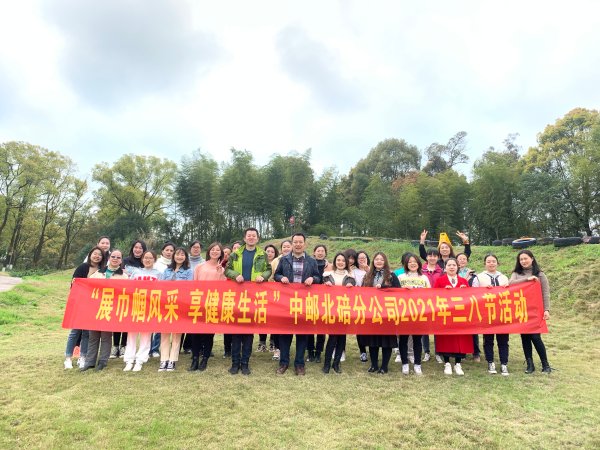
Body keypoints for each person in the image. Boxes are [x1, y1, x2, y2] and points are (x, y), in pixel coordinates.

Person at [225, 228, 271, 375]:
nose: (251, 238)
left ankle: (245, 363)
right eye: (248, 236)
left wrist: (263, 276)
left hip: (254, 296)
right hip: (237, 296)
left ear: (257, 238)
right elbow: (227, 270)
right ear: (244, 238)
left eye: (254, 236)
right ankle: (235, 363)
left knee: (249, 332)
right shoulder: (235, 254)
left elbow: (268, 269)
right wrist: (235, 275)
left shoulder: (262, 254)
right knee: (236, 331)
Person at [274, 233, 321, 376]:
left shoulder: (311, 261)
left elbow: (318, 277)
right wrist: (281, 278)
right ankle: (283, 362)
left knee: (302, 335)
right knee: (285, 334)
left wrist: (313, 279)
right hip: (287, 303)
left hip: (304, 302)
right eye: (295, 242)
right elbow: (276, 275)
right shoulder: (284, 259)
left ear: (305, 244)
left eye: (300, 242)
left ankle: (300, 364)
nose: (298, 244)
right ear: (292, 243)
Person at [81, 249, 129, 371]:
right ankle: (90, 361)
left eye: (118, 257)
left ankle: (103, 361)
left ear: (121, 261)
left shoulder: (124, 277)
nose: (115, 259)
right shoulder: (97, 273)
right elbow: (88, 288)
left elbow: (126, 293)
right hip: (96, 309)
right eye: (113, 256)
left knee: (106, 336)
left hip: (111, 309)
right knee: (93, 336)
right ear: (109, 258)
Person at [509, 250, 552, 374]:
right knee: (525, 337)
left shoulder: (540, 274)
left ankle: (545, 364)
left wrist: (547, 310)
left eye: (525, 258)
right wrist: (527, 279)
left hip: (535, 311)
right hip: (521, 310)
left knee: (536, 337)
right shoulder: (516, 273)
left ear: (532, 259)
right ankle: (530, 364)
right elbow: (510, 283)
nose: (523, 261)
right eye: (521, 259)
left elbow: (545, 293)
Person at [64, 246, 106, 369]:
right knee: (75, 331)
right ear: (90, 255)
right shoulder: (83, 267)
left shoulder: (103, 271)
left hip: (93, 305)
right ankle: (68, 358)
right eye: (95, 254)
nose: (97, 256)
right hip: (80, 303)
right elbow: (74, 284)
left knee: (87, 333)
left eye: (100, 255)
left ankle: (83, 357)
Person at [189, 242, 227, 372]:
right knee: (195, 333)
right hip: (199, 302)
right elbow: (194, 284)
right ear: (209, 251)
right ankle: (195, 359)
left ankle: (205, 359)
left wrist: (220, 273)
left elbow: (223, 288)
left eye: (218, 250)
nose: (215, 252)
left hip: (213, 303)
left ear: (221, 253)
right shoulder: (199, 266)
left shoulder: (222, 269)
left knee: (209, 334)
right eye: (213, 249)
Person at [360, 252, 399, 374]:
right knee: (372, 340)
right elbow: (362, 292)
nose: (379, 261)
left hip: (387, 312)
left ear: (385, 261)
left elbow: (398, 291)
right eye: (377, 259)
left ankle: (384, 366)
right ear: (373, 261)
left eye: (381, 259)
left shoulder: (391, 275)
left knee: (386, 340)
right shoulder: (368, 275)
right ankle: (374, 365)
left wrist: (383, 288)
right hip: (372, 312)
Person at [433, 258, 473, 375]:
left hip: (460, 315)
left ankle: (458, 363)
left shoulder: (463, 281)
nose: (451, 267)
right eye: (449, 265)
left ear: (457, 267)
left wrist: (465, 291)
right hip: (445, 314)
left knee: (460, 338)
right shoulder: (440, 281)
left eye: (454, 265)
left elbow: (470, 297)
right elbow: (433, 296)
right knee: (446, 338)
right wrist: (443, 292)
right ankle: (447, 363)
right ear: (445, 268)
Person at [473, 254, 510, 375]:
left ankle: (504, 363)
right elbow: (473, 294)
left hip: (502, 312)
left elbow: (510, 294)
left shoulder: (504, 277)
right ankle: (490, 362)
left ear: (497, 263)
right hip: (486, 313)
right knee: (488, 339)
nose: (491, 263)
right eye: (488, 261)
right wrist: (483, 290)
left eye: (493, 261)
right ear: (485, 263)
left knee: (503, 340)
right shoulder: (479, 277)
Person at [158, 247, 193, 372]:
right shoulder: (166, 270)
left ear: (185, 257)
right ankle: (164, 360)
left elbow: (189, 288)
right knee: (164, 334)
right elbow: (160, 286)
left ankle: (172, 360)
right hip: (166, 305)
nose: (179, 257)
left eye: (182, 255)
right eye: (177, 254)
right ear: (173, 256)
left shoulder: (189, 271)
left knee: (177, 334)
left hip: (180, 305)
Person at [123, 250, 159, 372]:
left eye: (150, 258)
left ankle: (140, 360)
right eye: (145, 257)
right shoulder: (136, 272)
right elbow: (128, 288)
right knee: (131, 334)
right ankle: (129, 359)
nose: (147, 260)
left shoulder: (158, 274)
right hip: (135, 305)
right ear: (142, 259)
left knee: (146, 335)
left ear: (154, 260)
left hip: (149, 307)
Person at [322, 252, 356, 374]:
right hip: (331, 310)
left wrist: (351, 287)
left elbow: (355, 295)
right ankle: (327, 363)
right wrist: (325, 285)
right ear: (335, 261)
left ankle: (336, 364)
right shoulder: (327, 275)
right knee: (332, 337)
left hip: (345, 310)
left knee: (342, 337)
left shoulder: (351, 277)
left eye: (343, 260)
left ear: (346, 262)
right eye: (338, 260)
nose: (340, 262)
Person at [397, 253, 430, 375]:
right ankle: (405, 363)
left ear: (419, 264)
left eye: (414, 261)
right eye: (410, 262)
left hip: (419, 313)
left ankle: (417, 364)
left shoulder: (424, 278)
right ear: (406, 264)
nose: (412, 263)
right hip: (404, 313)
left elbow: (430, 294)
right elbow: (394, 294)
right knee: (403, 338)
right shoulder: (401, 277)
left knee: (417, 339)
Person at [149, 241, 176, 358]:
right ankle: (152, 348)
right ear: (162, 251)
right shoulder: (156, 264)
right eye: (167, 250)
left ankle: (158, 348)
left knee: (165, 325)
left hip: (171, 298)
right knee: (155, 325)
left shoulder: (175, 264)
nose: (169, 252)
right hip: (157, 296)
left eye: (171, 251)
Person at [307, 244, 329, 363]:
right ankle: (310, 351)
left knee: (321, 328)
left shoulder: (330, 266)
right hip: (310, 298)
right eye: (318, 251)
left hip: (324, 300)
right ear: (314, 252)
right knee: (309, 326)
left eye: (322, 251)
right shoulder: (309, 263)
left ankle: (319, 352)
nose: (320, 253)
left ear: (325, 253)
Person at [457, 252, 481, 362]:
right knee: (460, 329)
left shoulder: (473, 274)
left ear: (467, 261)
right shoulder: (452, 272)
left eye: (464, 259)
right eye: (460, 259)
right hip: (457, 304)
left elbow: (476, 288)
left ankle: (476, 352)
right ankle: (462, 352)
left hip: (470, 303)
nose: (462, 260)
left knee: (473, 328)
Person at [421, 248, 444, 362]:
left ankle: (438, 352)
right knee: (424, 328)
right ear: (426, 257)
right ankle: (426, 352)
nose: (432, 258)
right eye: (430, 255)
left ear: (438, 257)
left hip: (438, 302)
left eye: (435, 256)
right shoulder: (421, 270)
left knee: (437, 328)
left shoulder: (442, 271)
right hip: (423, 302)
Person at [259, 244, 279, 354]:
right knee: (262, 318)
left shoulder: (278, 263)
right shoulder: (260, 264)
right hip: (262, 295)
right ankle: (262, 343)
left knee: (273, 320)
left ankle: (272, 343)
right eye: (268, 251)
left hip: (274, 295)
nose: (270, 253)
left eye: (272, 252)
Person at [355, 250, 371, 363]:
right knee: (359, 328)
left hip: (371, 303)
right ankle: (363, 351)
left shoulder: (372, 270)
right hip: (358, 303)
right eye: (360, 258)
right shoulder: (353, 271)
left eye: (364, 257)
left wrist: (368, 270)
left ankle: (372, 349)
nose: (362, 259)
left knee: (370, 328)